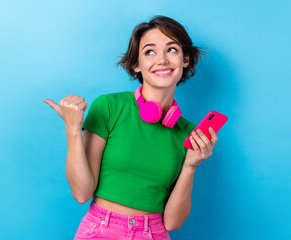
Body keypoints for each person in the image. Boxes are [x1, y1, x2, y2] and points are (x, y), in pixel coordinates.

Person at [44, 15, 218, 240]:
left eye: (172, 49)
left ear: (185, 59)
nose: (162, 60)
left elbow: (173, 223)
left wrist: (190, 166)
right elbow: (81, 193)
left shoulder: (188, 133)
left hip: (153, 233)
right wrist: (73, 130)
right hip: (100, 229)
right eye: (150, 52)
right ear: (137, 64)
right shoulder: (109, 107)